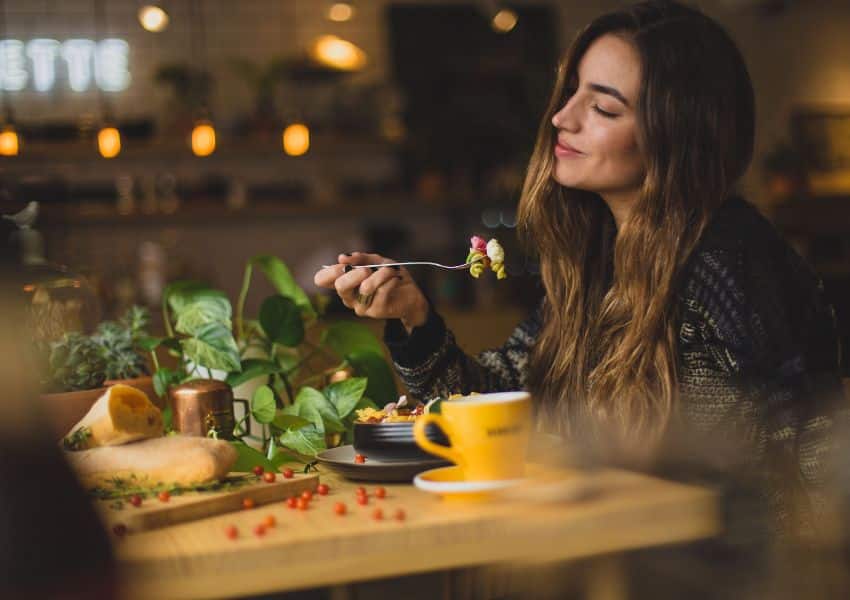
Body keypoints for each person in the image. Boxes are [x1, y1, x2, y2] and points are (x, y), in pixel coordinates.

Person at [314, 0, 845, 534]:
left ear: (677, 136)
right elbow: (504, 402)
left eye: (605, 109)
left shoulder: (727, 268)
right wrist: (414, 318)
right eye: (573, 93)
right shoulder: (602, 259)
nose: (561, 118)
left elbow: (801, 472)